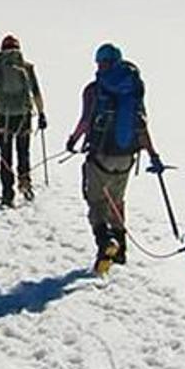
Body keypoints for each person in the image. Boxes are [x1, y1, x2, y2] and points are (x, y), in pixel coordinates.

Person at [64, 43, 160, 272]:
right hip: (126, 157)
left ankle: (105, 242)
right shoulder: (134, 89)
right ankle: (121, 251)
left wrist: (73, 140)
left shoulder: (94, 90)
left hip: (101, 156)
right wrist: (153, 155)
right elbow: (141, 126)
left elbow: (86, 121)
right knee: (117, 202)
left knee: (96, 202)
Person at [0, 35, 45, 207]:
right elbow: (36, 92)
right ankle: (25, 183)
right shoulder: (26, 67)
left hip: (4, 117)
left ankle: (7, 192)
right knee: (23, 152)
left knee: (6, 155)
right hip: (24, 116)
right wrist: (41, 113)